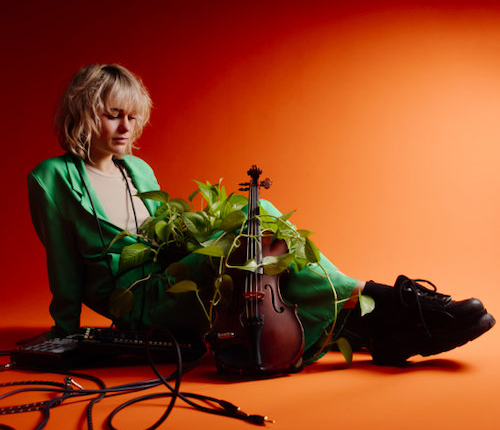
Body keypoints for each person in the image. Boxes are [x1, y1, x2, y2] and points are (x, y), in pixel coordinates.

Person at [26, 63, 495, 367]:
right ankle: (392, 307)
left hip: (173, 276)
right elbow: (62, 263)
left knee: (257, 230)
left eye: (132, 117)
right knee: (256, 230)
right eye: (113, 115)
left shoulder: (138, 169)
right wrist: (64, 334)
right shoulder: (52, 178)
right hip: (138, 303)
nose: (126, 127)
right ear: (85, 113)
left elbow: (164, 237)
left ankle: (378, 324)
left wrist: (203, 236)